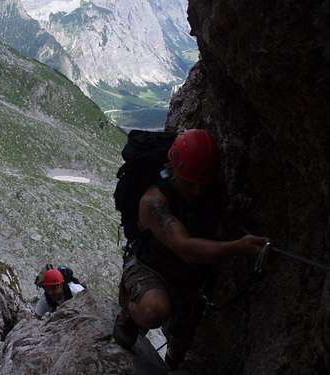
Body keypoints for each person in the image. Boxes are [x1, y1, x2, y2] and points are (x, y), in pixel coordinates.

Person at [112, 129, 268, 369]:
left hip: (188, 277)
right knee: (154, 310)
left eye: (200, 184)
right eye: (190, 184)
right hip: (150, 268)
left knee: (182, 345)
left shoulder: (205, 189)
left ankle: (174, 358)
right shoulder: (153, 202)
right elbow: (183, 246)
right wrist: (237, 247)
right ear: (172, 168)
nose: (197, 191)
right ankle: (130, 313)